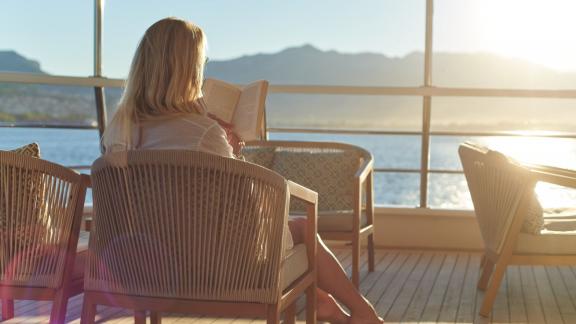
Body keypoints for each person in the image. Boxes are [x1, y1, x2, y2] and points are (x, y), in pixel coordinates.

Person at [101, 17, 384, 324]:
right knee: (301, 226)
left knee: (286, 235)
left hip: (145, 266)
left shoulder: (118, 131)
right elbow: (252, 207)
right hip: (219, 269)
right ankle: (362, 311)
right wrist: (232, 151)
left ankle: (325, 304)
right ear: (188, 70)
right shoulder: (203, 133)